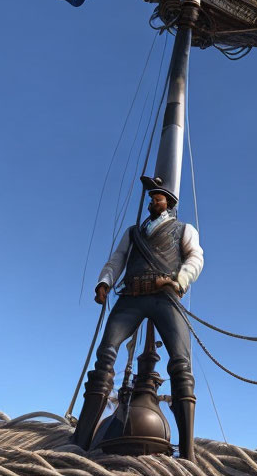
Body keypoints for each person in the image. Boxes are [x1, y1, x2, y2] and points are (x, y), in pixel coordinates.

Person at [71, 175, 204, 460]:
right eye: (152, 197)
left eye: (158, 197)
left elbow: (195, 257)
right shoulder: (133, 233)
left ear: (168, 203)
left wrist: (179, 281)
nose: (153, 201)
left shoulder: (184, 230)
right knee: (105, 356)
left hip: (165, 296)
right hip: (131, 296)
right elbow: (117, 259)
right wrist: (105, 282)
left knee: (181, 365)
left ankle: (188, 453)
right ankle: (80, 439)